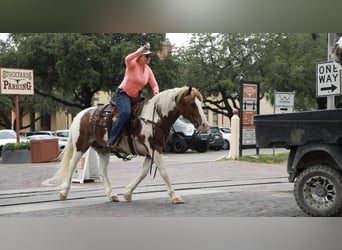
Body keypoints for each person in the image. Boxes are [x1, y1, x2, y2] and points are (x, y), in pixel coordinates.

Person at [108, 43, 159, 152]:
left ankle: (134, 139)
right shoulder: (132, 65)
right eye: (147, 56)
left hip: (135, 96)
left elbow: (154, 84)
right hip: (123, 94)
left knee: (144, 113)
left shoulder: (148, 70)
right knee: (126, 113)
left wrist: (156, 93)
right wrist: (139, 51)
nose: (149, 58)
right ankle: (111, 140)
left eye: (150, 56)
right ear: (140, 56)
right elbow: (127, 58)